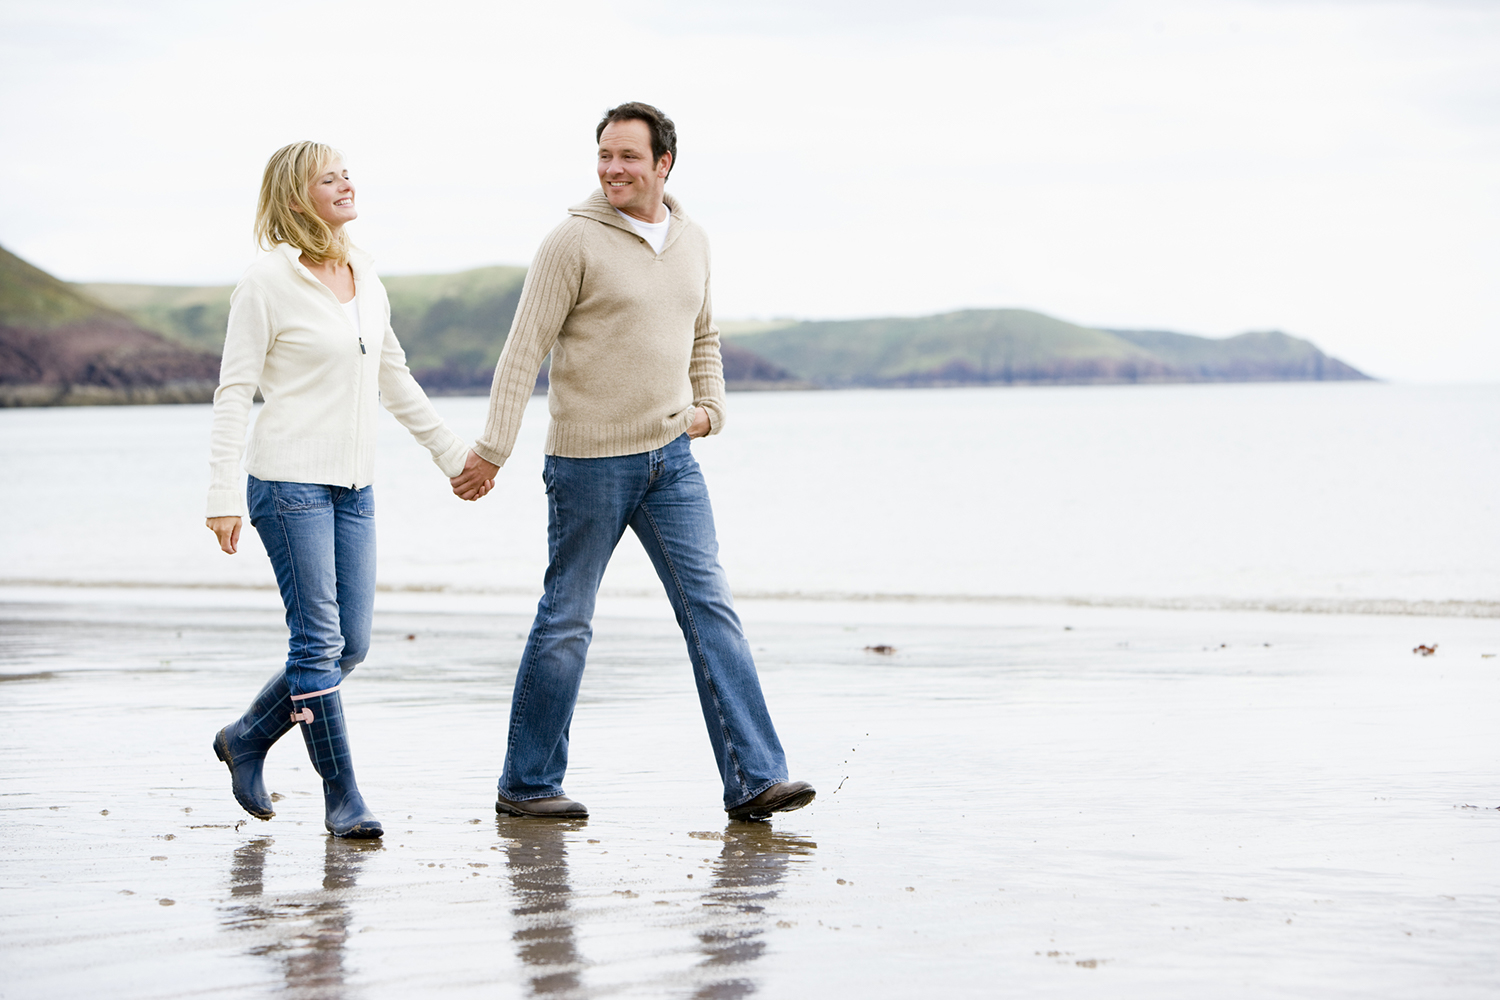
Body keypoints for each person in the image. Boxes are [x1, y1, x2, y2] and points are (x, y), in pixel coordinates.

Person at [450, 102, 813, 822]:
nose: (613, 169)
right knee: (568, 619)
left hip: (672, 462)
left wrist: (712, 406)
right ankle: (527, 785)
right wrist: (492, 450)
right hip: (588, 465)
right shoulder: (571, 243)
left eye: (628, 158)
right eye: (604, 156)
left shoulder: (694, 240)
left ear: (663, 165)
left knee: (710, 610)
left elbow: (703, 333)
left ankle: (754, 779)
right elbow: (523, 351)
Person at [205, 141, 490, 838]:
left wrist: (453, 455)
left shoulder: (365, 273)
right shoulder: (266, 282)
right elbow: (234, 389)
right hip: (287, 482)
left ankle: (246, 736)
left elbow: (394, 376)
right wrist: (221, 493)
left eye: (345, 173)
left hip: (354, 486)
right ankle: (344, 800)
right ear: (295, 196)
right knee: (315, 643)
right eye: (325, 177)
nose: (343, 183)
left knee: (349, 645)